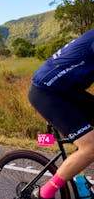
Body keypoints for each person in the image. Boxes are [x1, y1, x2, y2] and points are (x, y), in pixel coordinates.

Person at [28, 28, 94, 199]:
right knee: (91, 147)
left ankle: (81, 184)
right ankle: (43, 194)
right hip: (46, 92)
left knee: (86, 145)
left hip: (68, 90)